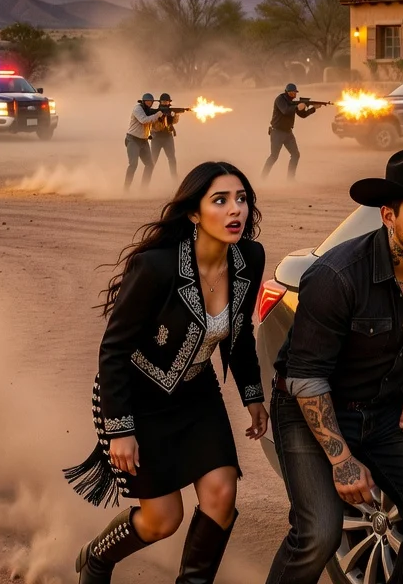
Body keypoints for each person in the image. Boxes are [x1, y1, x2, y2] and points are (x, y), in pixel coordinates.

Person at [266, 146, 403, 584]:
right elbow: (306, 378)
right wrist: (341, 458)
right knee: (318, 535)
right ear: (388, 216)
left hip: (385, 410)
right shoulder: (337, 276)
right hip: (310, 410)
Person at [64, 161, 270, 584]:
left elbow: (242, 331)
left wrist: (253, 395)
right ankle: (97, 558)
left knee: (222, 493)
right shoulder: (157, 267)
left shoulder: (250, 258)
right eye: (221, 200)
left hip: (197, 393)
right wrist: (120, 428)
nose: (236, 211)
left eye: (242, 199)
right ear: (194, 213)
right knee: (163, 520)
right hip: (137, 400)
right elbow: (114, 349)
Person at [262, 83, 320, 180]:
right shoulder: (280, 99)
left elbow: (303, 115)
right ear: (287, 92)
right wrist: (297, 107)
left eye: (295, 92)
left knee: (296, 155)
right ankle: (262, 178)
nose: (294, 94)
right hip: (277, 132)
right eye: (292, 92)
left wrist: (313, 108)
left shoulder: (293, 102)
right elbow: (285, 110)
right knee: (274, 156)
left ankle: (290, 179)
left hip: (288, 133)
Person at [125, 93, 164, 190]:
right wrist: (157, 115)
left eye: (151, 102)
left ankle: (143, 189)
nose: (149, 103)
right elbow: (144, 120)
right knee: (133, 164)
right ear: (143, 101)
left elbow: (154, 124)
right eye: (147, 101)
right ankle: (126, 189)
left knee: (150, 164)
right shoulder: (137, 109)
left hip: (144, 141)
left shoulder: (149, 111)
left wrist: (164, 117)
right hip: (133, 139)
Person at [150, 93, 183, 180]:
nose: (165, 103)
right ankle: (146, 178)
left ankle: (174, 178)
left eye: (167, 101)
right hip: (156, 138)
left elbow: (175, 122)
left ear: (169, 102)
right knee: (153, 160)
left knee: (172, 158)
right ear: (160, 102)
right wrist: (160, 116)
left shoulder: (171, 111)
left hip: (168, 137)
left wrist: (174, 115)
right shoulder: (155, 112)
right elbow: (153, 125)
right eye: (163, 101)